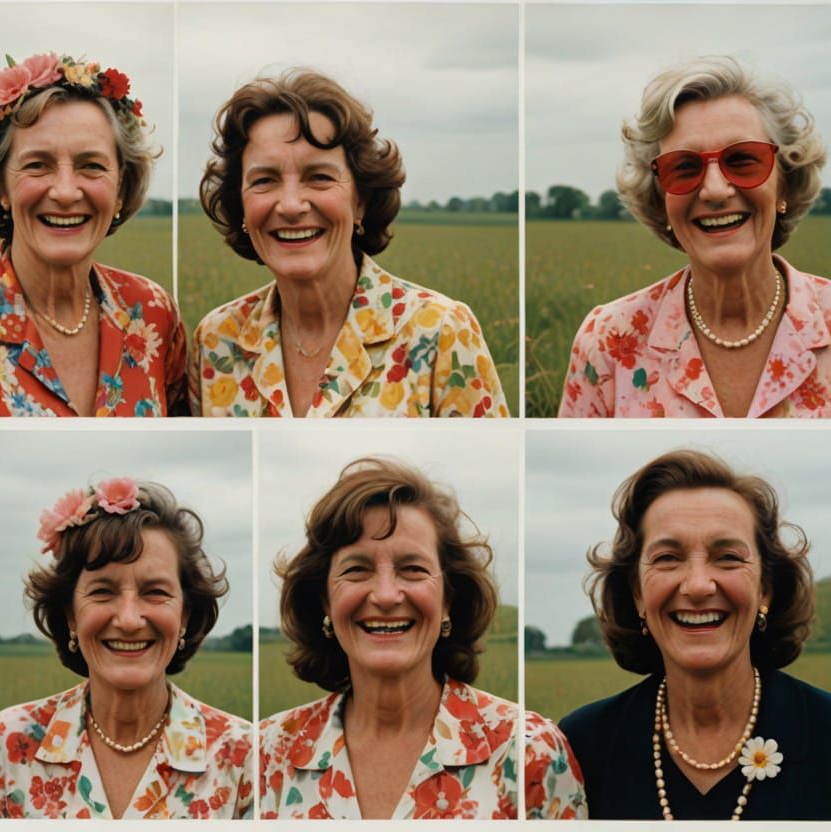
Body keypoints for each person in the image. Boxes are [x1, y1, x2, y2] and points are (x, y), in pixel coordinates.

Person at [261, 457, 582, 819]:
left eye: (412, 569)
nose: (385, 595)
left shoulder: (530, 753)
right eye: (356, 569)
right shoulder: (267, 752)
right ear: (325, 600)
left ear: (448, 599)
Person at [192, 69, 507, 417]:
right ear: (241, 205)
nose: (292, 205)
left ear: (361, 201)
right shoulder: (216, 339)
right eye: (265, 180)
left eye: (320, 178)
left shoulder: (441, 331)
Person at [0, 53, 186, 417]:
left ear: (121, 189)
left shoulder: (153, 311)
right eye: (37, 165)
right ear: (0, 185)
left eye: (91, 166)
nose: (65, 192)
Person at [559, 449, 831, 819]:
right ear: (638, 593)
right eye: (667, 558)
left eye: (729, 557)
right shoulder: (580, 745)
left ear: (765, 589)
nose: (699, 585)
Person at [559, 56, 829, 417]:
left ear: (785, 185)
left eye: (744, 160)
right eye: (684, 167)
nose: (715, 190)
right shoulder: (608, 339)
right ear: (661, 199)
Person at [0, 477, 252, 818]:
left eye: (155, 591)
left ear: (184, 613)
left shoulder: (245, 758)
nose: (128, 620)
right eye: (102, 592)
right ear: (71, 614)